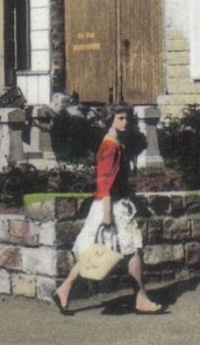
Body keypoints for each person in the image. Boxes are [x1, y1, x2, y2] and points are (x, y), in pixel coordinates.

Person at [53, 105, 163, 315]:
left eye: (127, 118)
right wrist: (106, 215)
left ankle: (64, 289)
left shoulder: (115, 144)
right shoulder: (110, 147)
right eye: (120, 118)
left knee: (103, 250)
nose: (125, 122)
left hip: (115, 204)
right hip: (110, 206)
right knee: (130, 248)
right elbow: (104, 182)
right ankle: (140, 299)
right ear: (111, 120)